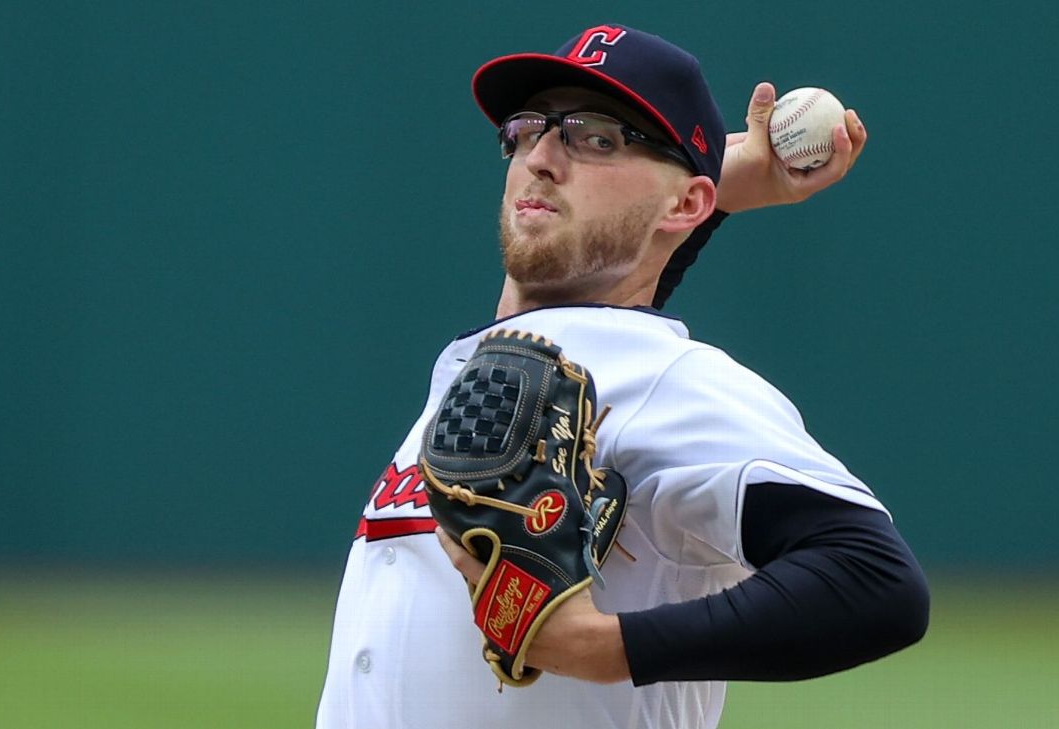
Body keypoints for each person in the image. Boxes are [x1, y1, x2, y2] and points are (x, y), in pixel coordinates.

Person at [316, 23, 929, 729]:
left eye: (595, 137)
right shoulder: (512, 367)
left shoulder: (668, 378)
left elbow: (876, 579)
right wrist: (703, 190)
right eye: (526, 130)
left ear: (685, 204)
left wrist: (606, 647)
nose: (541, 157)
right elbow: (610, 293)